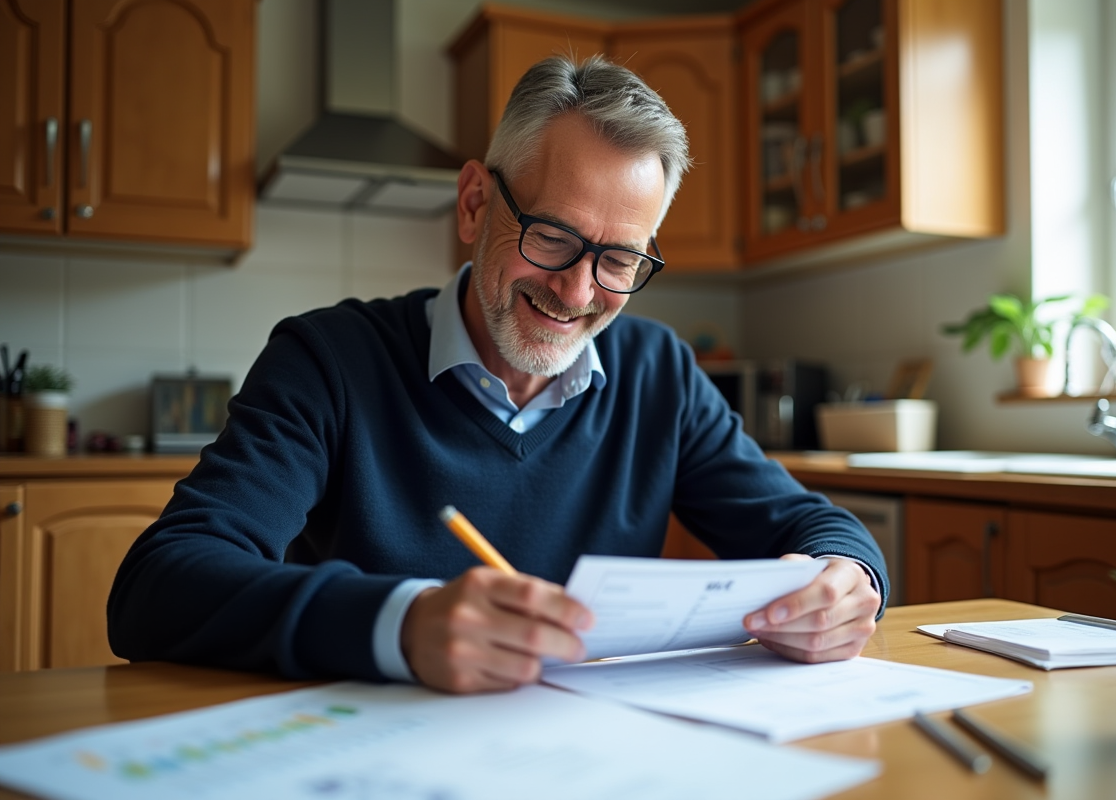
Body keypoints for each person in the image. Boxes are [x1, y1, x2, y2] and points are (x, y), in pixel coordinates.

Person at [108, 55, 888, 694]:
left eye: (619, 259)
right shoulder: (330, 359)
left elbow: (813, 526)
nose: (579, 293)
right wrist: (404, 623)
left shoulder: (658, 374)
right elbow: (158, 587)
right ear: (476, 204)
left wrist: (845, 581)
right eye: (552, 237)